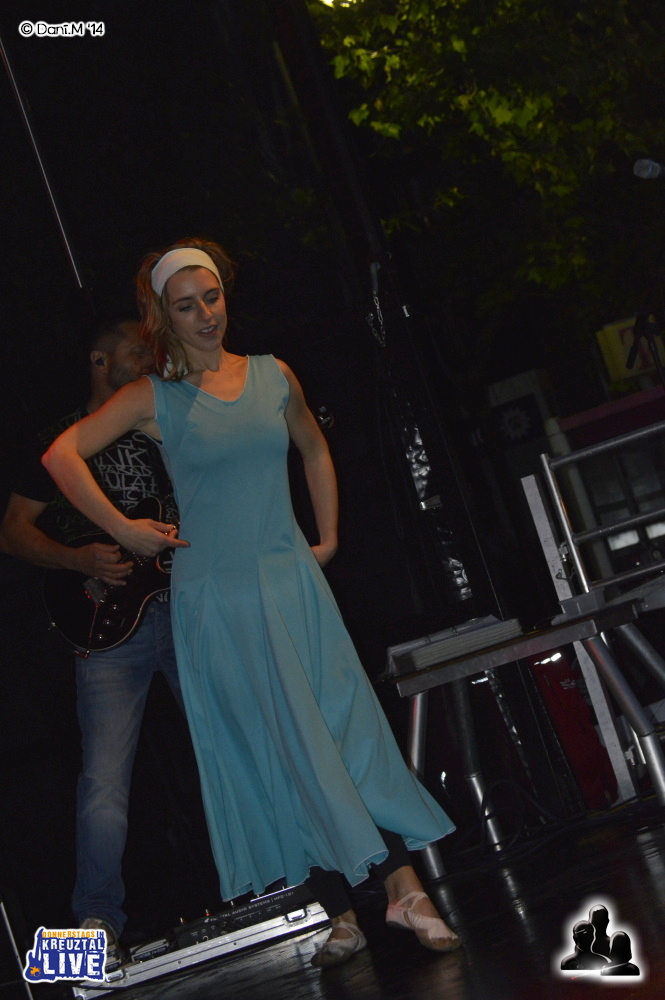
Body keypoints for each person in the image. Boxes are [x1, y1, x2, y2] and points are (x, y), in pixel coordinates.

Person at [42, 238, 462, 968]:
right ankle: (355, 906)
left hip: (289, 587)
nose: (205, 314)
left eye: (211, 298)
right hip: (217, 603)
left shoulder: (272, 375)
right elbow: (60, 456)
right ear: (164, 318)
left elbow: (314, 448)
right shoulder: (155, 398)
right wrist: (124, 530)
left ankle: (394, 888)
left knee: (342, 733)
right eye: (186, 306)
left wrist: (326, 538)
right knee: (275, 750)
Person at [0, 316, 182, 954]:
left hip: (187, 606)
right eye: (136, 350)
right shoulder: (56, 440)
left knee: (235, 741)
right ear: (101, 362)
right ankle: (94, 927)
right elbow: (12, 531)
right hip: (107, 624)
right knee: (104, 779)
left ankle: (294, 874)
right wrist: (79, 560)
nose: (149, 357)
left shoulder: (166, 422)